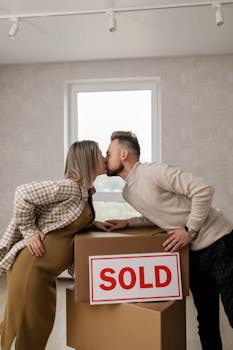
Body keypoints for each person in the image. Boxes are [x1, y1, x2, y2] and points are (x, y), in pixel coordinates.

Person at [105, 130, 233, 350]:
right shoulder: (128, 193)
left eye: (108, 153)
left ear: (123, 154)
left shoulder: (154, 172)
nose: (105, 158)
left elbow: (203, 191)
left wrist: (189, 230)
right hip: (191, 253)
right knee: (207, 321)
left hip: (219, 243)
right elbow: (160, 214)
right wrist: (129, 223)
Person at [0, 140, 112, 350]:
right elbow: (22, 193)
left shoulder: (86, 192)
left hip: (46, 273)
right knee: (28, 328)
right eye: (99, 154)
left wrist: (91, 223)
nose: (105, 158)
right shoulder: (69, 187)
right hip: (32, 268)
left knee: (39, 326)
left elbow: (66, 223)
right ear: (88, 160)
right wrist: (30, 232)